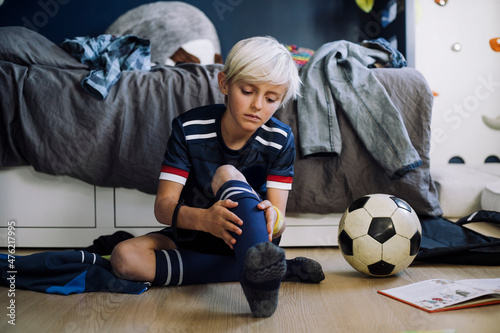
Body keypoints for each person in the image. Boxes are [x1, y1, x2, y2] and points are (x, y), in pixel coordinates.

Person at [110, 36, 324, 317]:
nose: (258, 105)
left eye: (271, 98)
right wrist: (205, 220)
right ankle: (274, 270)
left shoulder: (280, 139)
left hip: (250, 242)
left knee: (226, 173)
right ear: (224, 83)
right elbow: (163, 206)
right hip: (194, 234)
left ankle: (259, 277)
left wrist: (274, 219)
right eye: (247, 91)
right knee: (124, 258)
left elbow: (279, 220)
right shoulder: (188, 128)